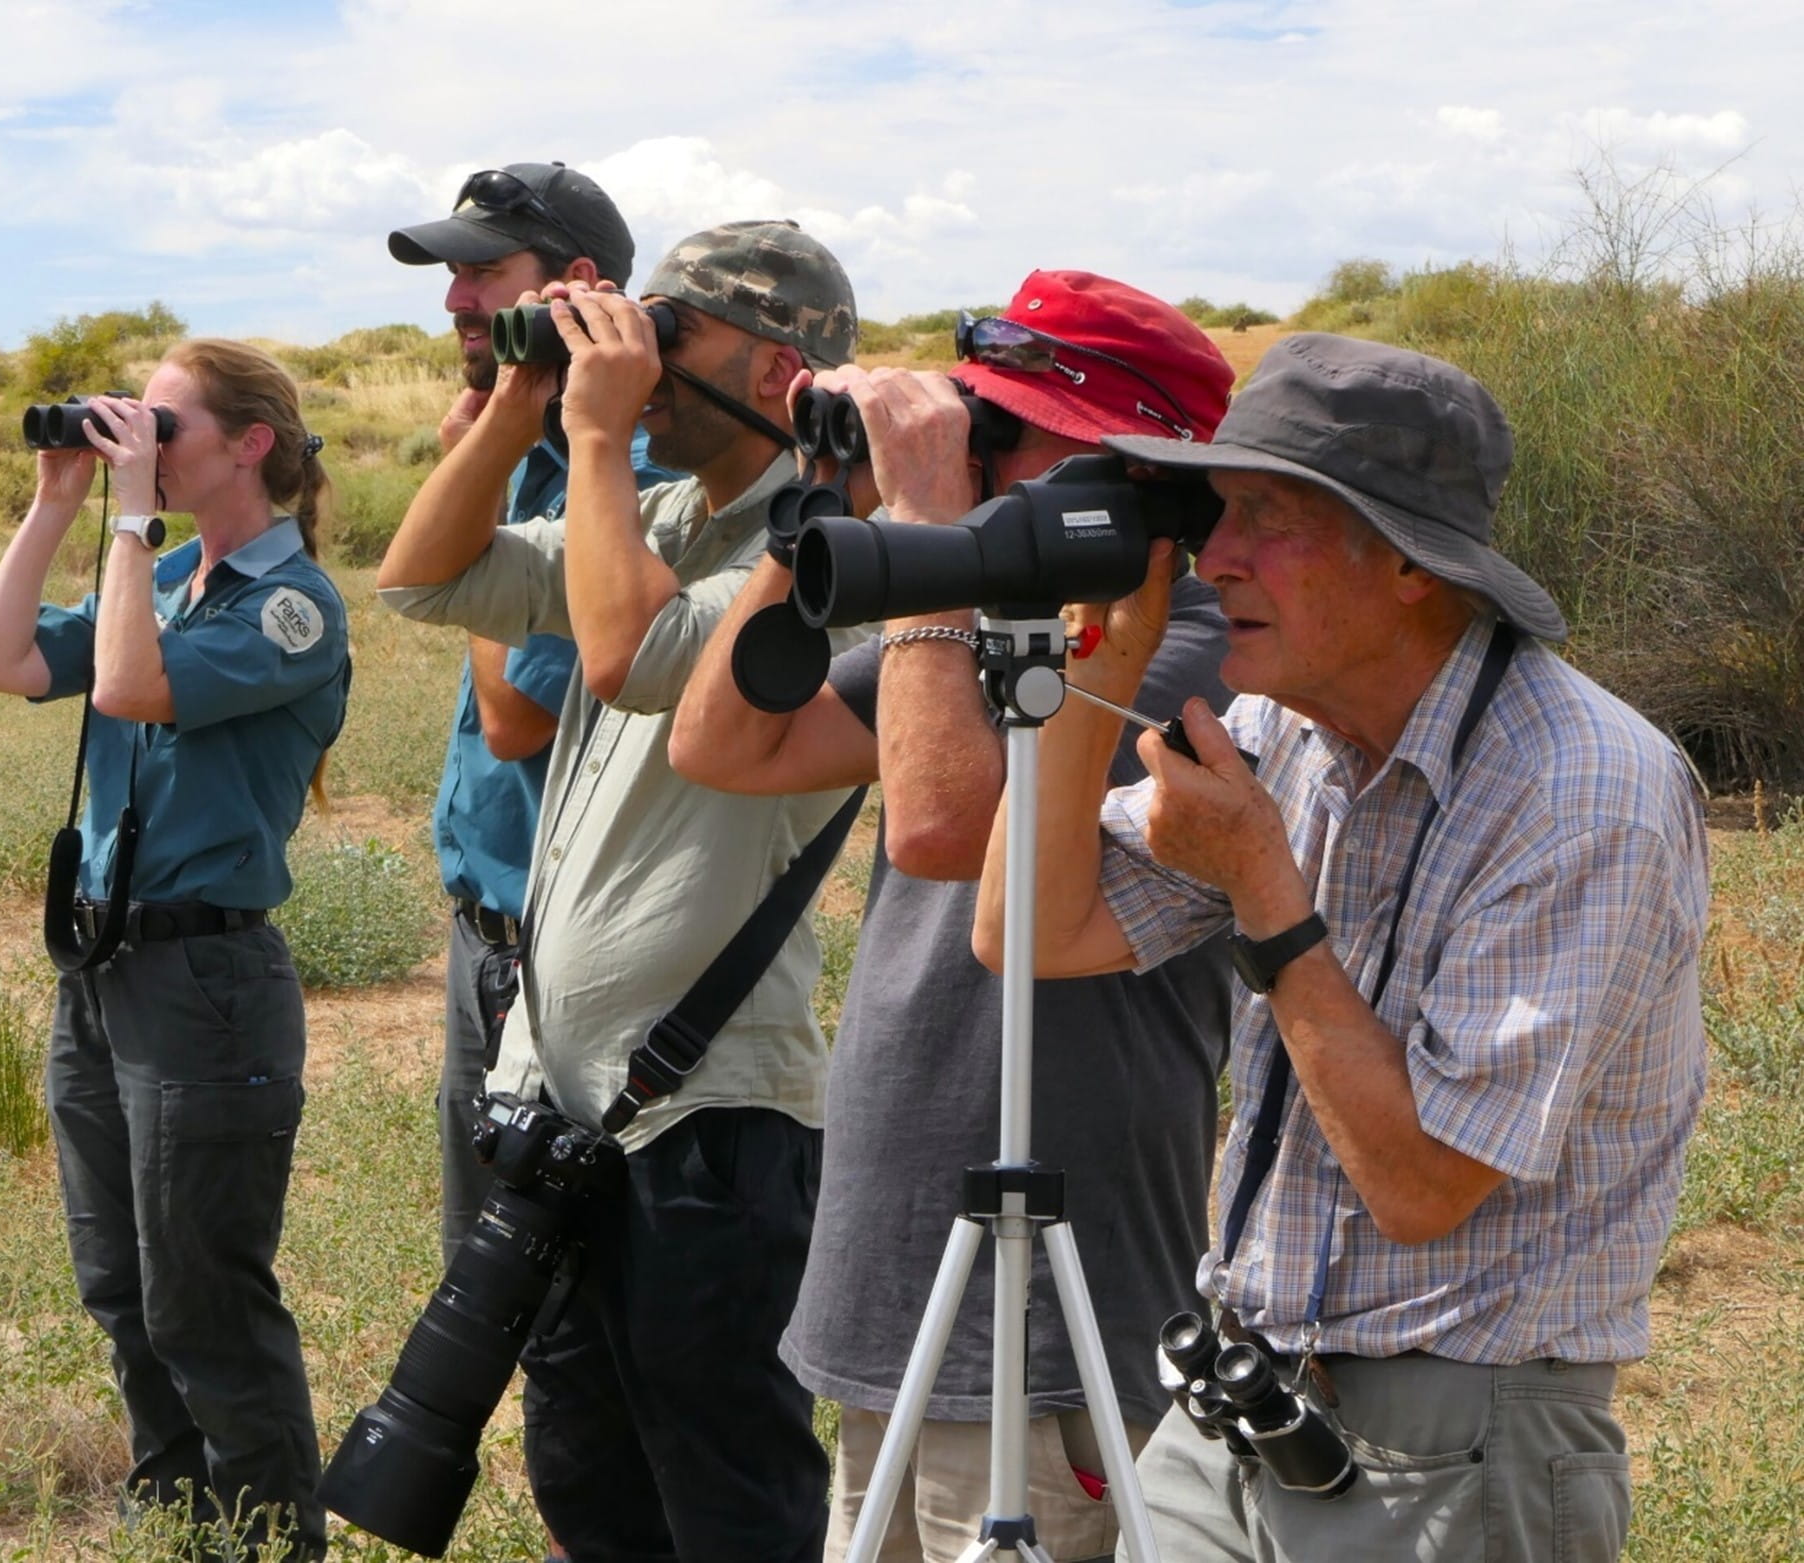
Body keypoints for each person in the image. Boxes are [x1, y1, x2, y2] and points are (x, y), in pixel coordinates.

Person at [974, 333, 1709, 1562]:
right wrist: (1093, 664)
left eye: (1268, 517)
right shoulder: (1286, 730)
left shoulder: (1580, 791)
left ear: (1411, 564)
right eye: (1215, 513)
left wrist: (1262, 880)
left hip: (1454, 1441)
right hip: (1238, 1399)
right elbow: (1026, 933)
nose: (1215, 557)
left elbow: (1422, 1187)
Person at [668, 272, 1238, 1563]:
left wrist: (927, 521)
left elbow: (941, 825)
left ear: (1123, 475)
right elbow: (722, 741)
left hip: (1053, 1296)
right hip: (901, 1256)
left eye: (1001, 426)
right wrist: (818, 510)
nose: (968, 444)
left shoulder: (1180, 657)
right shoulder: (983, 620)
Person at [377, 220, 859, 1563]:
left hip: (708, 1106)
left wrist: (592, 434)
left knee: (724, 1476)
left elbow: (632, 652)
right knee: (583, 1458)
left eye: (675, 335)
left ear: (776, 371)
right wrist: (522, 402)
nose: (643, 361)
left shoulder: (832, 552)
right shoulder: (655, 515)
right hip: (560, 1083)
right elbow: (422, 576)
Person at [0, 339, 349, 1559]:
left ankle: (271, 1535)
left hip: (207, 984)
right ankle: (178, 1512)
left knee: (204, 1299)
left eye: (163, 426)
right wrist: (58, 506)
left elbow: (127, 690)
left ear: (247, 445)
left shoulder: (290, 609)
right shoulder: (172, 578)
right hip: (106, 969)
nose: (142, 442)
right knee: (122, 1286)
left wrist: (126, 526)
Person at [386, 161, 672, 1265]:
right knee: (492, 1276)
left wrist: (486, 488)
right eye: (453, 275)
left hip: (567, 949)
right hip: (489, 928)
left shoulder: (625, 473)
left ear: (577, 284)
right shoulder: (541, 449)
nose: (457, 301)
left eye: (483, 272)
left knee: (551, 1289)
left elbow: (515, 719)